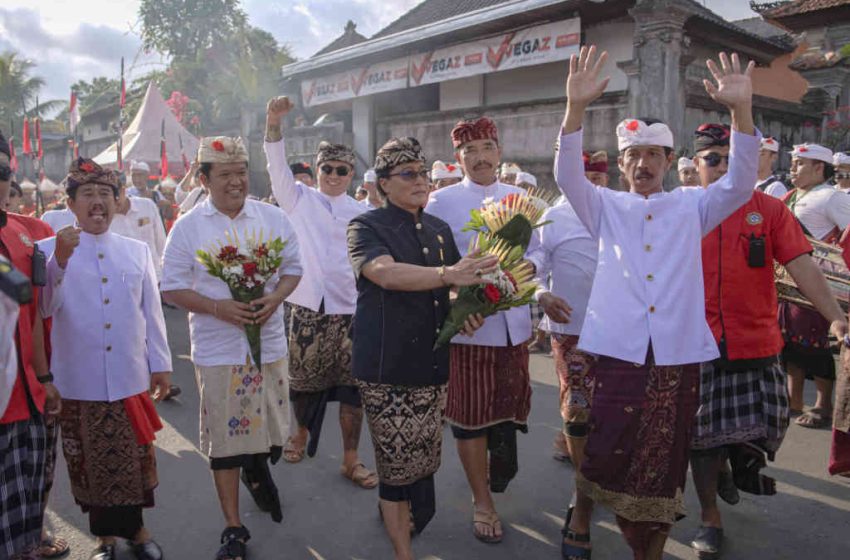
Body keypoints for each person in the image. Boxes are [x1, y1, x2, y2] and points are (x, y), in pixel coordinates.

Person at [555, 46, 759, 559]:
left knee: (665, 458)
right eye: (633, 156)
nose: (642, 163)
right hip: (616, 349)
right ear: (621, 164)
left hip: (675, 353)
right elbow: (566, 178)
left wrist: (740, 111)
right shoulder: (604, 206)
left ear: (670, 162)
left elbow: (741, 181)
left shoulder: (693, 205)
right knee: (603, 445)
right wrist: (574, 109)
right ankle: (582, 513)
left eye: (653, 155)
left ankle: (649, 546)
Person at [692, 123, 848, 559]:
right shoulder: (680, 211)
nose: (723, 168)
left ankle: (736, 461)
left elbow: (803, 267)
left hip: (757, 343)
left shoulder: (771, 211)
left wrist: (836, 318)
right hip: (696, 345)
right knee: (701, 440)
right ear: (694, 164)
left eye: (731, 158)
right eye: (713, 159)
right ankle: (710, 517)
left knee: (764, 425)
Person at [347, 136, 492, 560]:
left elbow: (442, 293)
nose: (420, 181)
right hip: (386, 367)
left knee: (423, 460)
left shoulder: (438, 229)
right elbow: (387, 275)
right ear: (383, 183)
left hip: (431, 365)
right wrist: (450, 275)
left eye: (423, 173)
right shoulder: (366, 226)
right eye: (408, 174)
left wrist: (461, 311)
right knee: (396, 469)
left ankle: (404, 517)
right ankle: (403, 552)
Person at [162, 136, 302, 560]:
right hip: (219, 352)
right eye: (225, 174)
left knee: (272, 436)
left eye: (241, 172)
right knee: (225, 445)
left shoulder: (272, 218)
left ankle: (257, 467)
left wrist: (273, 299)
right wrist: (216, 307)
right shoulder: (188, 227)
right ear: (204, 180)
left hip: (270, 346)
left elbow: (293, 270)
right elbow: (170, 286)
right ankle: (233, 527)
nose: (236, 181)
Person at [38, 158, 172, 560]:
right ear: (71, 204)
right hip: (78, 381)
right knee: (89, 469)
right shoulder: (47, 250)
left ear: (117, 202)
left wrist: (161, 362)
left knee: (136, 463)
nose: (97, 202)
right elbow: (44, 310)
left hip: (129, 378)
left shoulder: (136, 251)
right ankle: (105, 541)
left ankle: (140, 533)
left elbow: (153, 311)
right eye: (87, 195)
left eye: (105, 194)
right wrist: (58, 261)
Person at [426, 117, 533, 544]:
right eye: (470, 150)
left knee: (508, 411)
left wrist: (518, 281)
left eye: (487, 146)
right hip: (469, 330)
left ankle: (499, 464)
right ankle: (481, 501)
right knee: (470, 419)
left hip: (513, 327)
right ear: (459, 158)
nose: (480, 156)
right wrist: (454, 301)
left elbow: (539, 255)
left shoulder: (520, 198)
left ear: (499, 151)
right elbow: (432, 265)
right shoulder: (440, 202)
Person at [263, 96, 379, 487]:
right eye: (326, 168)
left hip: (351, 311)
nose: (333, 174)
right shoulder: (297, 199)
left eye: (341, 169)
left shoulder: (363, 214)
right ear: (316, 169)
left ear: (351, 175)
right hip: (306, 306)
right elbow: (276, 165)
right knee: (303, 382)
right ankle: (300, 433)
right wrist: (273, 123)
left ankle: (350, 458)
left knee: (352, 389)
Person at [527, 187, 598, 557]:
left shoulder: (621, 207)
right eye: (583, 173)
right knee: (576, 411)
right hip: (571, 332)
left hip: (623, 334)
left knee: (618, 416)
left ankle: (608, 483)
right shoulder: (553, 216)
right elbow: (534, 261)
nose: (590, 180)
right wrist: (541, 295)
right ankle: (583, 496)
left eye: (598, 173)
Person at [0, 130, 61, 560]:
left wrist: (44, 377)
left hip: (28, 397)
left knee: (25, 510)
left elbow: (37, 313)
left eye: (2, 170)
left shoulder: (27, 235)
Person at [782, 143, 850, 429]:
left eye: (800, 164)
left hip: (817, 282)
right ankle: (793, 399)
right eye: (793, 163)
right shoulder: (791, 196)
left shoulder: (831, 197)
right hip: (789, 282)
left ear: (819, 168)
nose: (793, 169)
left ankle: (823, 404)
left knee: (816, 343)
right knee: (790, 341)